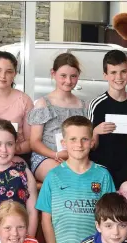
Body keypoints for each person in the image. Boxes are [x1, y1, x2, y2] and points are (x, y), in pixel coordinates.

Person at [35, 116, 115, 243]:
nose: (79, 145)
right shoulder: (53, 176)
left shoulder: (103, 175)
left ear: (92, 142)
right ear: (64, 143)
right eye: (73, 139)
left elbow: (112, 218)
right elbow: (46, 220)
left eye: (84, 139)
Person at [88, 50, 127, 189]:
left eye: (123, 71)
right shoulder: (96, 104)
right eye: (113, 72)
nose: (119, 77)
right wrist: (95, 131)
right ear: (105, 75)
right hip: (101, 168)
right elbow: (90, 145)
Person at [28, 53, 88, 182]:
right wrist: (55, 155)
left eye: (73, 76)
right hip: (46, 157)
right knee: (64, 176)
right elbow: (34, 142)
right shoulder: (44, 104)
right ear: (53, 73)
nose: (68, 81)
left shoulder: (83, 105)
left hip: (76, 157)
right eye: (63, 76)